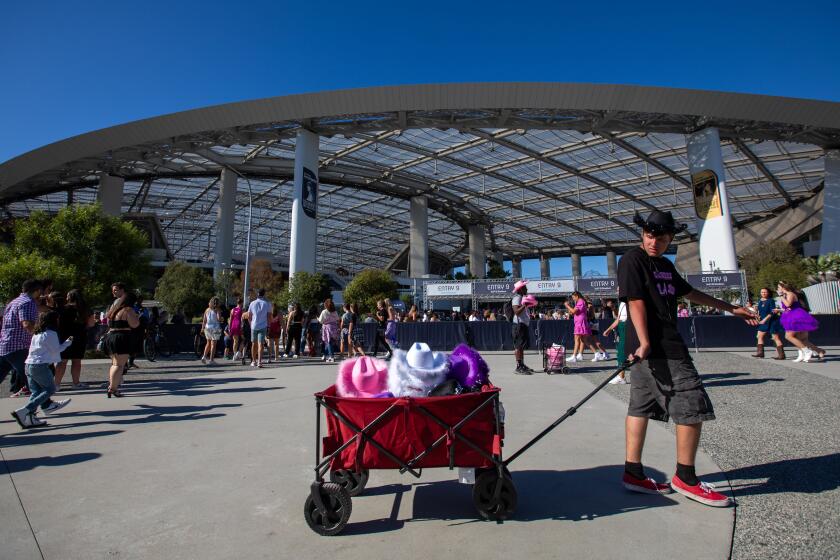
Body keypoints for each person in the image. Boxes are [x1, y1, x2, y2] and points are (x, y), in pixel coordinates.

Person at [618, 210, 757, 507]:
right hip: (660, 348)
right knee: (692, 403)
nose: (654, 241)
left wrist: (731, 308)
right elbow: (635, 301)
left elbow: (690, 293)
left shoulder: (665, 265)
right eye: (649, 235)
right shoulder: (633, 260)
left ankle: (633, 473)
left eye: (661, 237)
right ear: (642, 234)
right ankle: (686, 477)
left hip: (649, 351)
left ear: (670, 238)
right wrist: (644, 342)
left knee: (640, 407)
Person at [11, 311, 73, 429]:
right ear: (54, 321)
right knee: (50, 389)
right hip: (40, 365)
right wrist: (67, 343)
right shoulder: (51, 333)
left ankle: (30, 417)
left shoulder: (37, 333)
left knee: (36, 392)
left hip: (29, 364)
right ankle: (25, 411)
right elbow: (56, 350)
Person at [1, 279, 44, 397]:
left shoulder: (14, 302)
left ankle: (45, 403)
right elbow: (27, 324)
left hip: (6, 345)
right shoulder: (28, 302)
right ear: (37, 290)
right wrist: (40, 336)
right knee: (31, 376)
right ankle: (46, 403)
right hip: (19, 346)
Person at [55, 289, 95, 388]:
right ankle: (76, 383)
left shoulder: (62, 309)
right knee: (76, 361)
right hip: (80, 336)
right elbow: (91, 323)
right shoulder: (86, 309)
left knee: (62, 361)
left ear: (69, 297)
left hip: (64, 337)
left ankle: (56, 384)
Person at [103, 292, 140, 397]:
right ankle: (112, 388)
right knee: (119, 365)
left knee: (115, 364)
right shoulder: (128, 310)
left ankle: (112, 386)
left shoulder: (114, 311)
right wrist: (137, 317)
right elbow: (135, 324)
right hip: (122, 337)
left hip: (111, 336)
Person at [777, 282, 825, 362]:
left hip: (797, 316)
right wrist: (780, 309)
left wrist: (781, 296)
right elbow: (787, 307)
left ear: (783, 287)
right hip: (790, 316)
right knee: (802, 339)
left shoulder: (790, 294)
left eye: (779, 287)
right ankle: (814, 352)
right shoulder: (786, 295)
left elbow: (788, 304)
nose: (778, 289)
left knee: (789, 336)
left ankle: (807, 351)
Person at [565, 292, 598, 363]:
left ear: (577, 296)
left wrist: (567, 306)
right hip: (580, 322)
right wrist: (570, 310)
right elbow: (575, 312)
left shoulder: (580, 301)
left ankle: (574, 356)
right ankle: (596, 354)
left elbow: (574, 311)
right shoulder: (580, 302)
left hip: (580, 323)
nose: (573, 299)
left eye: (573, 297)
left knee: (577, 339)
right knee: (584, 340)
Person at [753, 287, 786, 360]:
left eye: (765, 292)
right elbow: (759, 311)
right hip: (763, 321)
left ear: (768, 293)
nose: (763, 293)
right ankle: (760, 353)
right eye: (762, 292)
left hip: (771, 321)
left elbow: (772, 312)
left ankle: (781, 355)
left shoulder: (771, 300)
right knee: (759, 336)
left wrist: (765, 319)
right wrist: (756, 313)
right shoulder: (760, 301)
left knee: (775, 337)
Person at [510, 280, 534, 374]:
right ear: (521, 289)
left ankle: (522, 365)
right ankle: (518, 367)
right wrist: (525, 305)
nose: (526, 289)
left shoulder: (521, 297)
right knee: (518, 346)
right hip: (518, 326)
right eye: (525, 287)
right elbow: (516, 311)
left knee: (521, 346)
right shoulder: (517, 298)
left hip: (522, 325)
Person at [602, 300, 629, 384]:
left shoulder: (629, 300)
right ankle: (621, 376)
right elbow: (618, 318)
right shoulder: (622, 303)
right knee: (621, 352)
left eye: (619, 288)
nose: (617, 290)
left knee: (622, 352)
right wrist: (608, 329)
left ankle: (621, 377)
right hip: (622, 326)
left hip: (627, 326)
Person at [247, 289, 271, 367]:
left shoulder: (252, 303)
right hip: (263, 326)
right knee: (261, 344)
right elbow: (268, 316)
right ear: (264, 295)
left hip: (254, 326)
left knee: (254, 344)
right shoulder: (267, 304)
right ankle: (259, 361)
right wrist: (268, 326)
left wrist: (251, 325)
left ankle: (253, 361)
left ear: (257, 294)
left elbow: (249, 316)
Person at [199, 297, 223, 365]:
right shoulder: (218, 310)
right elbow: (218, 319)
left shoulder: (207, 310)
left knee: (208, 343)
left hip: (207, 328)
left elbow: (204, 320)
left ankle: (204, 356)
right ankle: (211, 360)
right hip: (215, 328)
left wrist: (202, 328)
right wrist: (221, 318)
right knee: (213, 344)